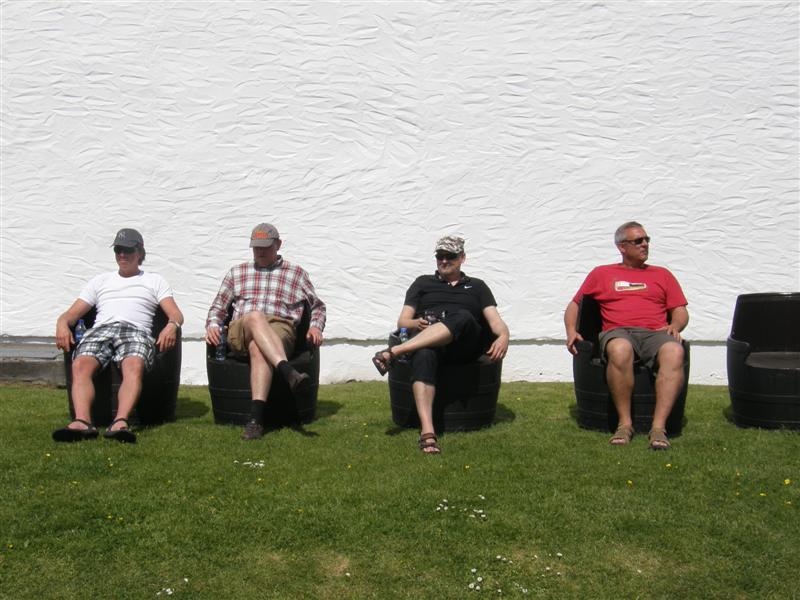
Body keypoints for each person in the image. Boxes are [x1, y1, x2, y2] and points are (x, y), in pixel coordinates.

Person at [372, 235, 510, 454]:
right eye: (440, 256)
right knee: (424, 354)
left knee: (463, 316)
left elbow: (496, 322)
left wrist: (504, 336)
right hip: (433, 343)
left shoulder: (477, 286)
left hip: (465, 346)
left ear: (462, 258)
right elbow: (403, 321)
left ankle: (394, 352)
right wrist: (415, 322)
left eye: (450, 256)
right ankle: (428, 433)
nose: (444, 261)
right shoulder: (422, 283)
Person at [564, 221, 689, 450]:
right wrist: (571, 331)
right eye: (638, 241)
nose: (645, 244)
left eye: (647, 240)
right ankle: (625, 424)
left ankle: (658, 428)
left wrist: (675, 325)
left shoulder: (662, 274)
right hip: (618, 330)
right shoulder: (602, 273)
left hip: (654, 332)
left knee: (674, 351)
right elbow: (574, 305)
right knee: (620, 349)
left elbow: (680, 310)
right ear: (622, 247)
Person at [53, 228, 184, 444]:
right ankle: (82, 422)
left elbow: (176, 314)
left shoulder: (154, 280)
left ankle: (120, 422)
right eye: (118, 250)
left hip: (135, 331)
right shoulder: (100, 281)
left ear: (140, 253)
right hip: (102, 330)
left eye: (128, 250)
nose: (122, 255)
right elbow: (71, 314)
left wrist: (172, 325)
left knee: (133, 364)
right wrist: (61, 324)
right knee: (80, 364)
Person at [205, 223, 326, 441]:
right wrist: (213, 325)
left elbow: (318, 306)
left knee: (257, 348)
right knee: (255, 316)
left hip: (280, 327)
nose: (260, 252)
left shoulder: (296, 273)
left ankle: (255, 421)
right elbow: (217, 308)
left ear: (278, 244)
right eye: (256, 247)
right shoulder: (237, 272)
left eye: (265, 247)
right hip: (242, 327)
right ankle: (287, 370)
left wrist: (316, 326)